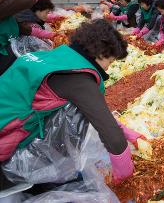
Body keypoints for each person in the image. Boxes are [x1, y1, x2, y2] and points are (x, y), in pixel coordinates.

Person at [0, 20, 143, 190]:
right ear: (102, 54)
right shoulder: (79, 78)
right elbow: (112, 137)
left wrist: (125, 131)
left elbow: (93, 110)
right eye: (110, 62)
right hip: (7, 152)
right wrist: (124, 179)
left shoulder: (55, 56)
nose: (109, 68)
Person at [0, 0, 57, 76]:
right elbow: (19, 2)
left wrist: (51, 35)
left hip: (9, 47)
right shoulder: (5, 8)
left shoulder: (9, 15)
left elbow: (24, 28)